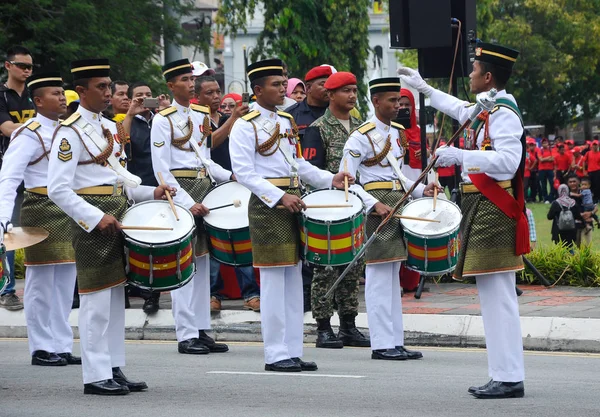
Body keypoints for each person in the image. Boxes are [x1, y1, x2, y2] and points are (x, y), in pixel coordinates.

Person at [400, 41, 528, 399]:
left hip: (493, 209)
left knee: (498, 297)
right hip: (481, 207)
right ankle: (503, 373)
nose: (469, 74)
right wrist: (424, 89)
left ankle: (509, 376)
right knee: (493, 298)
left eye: (474, 70)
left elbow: (507, 162)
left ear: (487, 77)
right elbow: (457, 107)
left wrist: (460, 155)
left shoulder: (503, 112)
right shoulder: (489, 106)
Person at [47, 58, 174, 395]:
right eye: (101, 88)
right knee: (95, 300)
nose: (108, 92)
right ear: (81, 91)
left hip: (119, 215)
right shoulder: (69, 131)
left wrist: (152, 191)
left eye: (109, 86)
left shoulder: (108, 127)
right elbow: (57, 189)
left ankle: (113, 365)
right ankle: (95, 374)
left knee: (116, 298)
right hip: (93, 221)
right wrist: (93, 217)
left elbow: (120, 180)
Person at [229, 58, 353, 372]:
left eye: (283, 82)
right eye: (275, 84)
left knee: (293, 277)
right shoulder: (245, 124)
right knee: (272, 281)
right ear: (257, 90)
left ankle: (292, 349)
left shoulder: (285, 121)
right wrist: (279, 196)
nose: (283, 88)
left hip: (292, 201)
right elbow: (244, 172)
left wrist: (329, 178)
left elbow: (297, 164)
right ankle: (274, 353)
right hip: (268, 206)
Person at [341, 77, 437, 362]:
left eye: (399, 101)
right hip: (378, 209)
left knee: (393, 275)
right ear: (376, 102)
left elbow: (400, 175)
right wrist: (373, 204)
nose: (398, 106)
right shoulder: (361, 136)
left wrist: (422, 188)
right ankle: (381, 343)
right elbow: (346, 180)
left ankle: (395, 340)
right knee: (379, 276)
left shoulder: (397, 133)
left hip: (399, 203)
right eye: (392, 101)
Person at [150, 59, 231, 355]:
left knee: (203, 261)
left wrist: (228, 176)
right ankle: (185, 333)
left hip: (203, 189)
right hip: (180, 193)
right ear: (171, 86)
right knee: (182, 265)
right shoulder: (163, 120)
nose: (190, 84)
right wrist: (186, 202)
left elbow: (205, 160)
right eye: (184, 80)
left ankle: (201, 329)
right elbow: (162, 170)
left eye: (191, 79)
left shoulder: (199, 115)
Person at [0, 71, 79, 366]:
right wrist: (2, 220)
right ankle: (41, 347)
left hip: (68, 208)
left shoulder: (68, 130)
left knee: (65, 283)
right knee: (41, 283)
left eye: (62, 93)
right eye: (55, 94)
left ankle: (61, 343)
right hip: (41, 209)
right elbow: (8, 179)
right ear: (38, 101)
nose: (62, 98)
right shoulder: (29, 133)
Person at [300, 72, 368, 349]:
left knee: (353, 266)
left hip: (356, 203)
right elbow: (311, 172)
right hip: (328, 206)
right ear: (330, 95)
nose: (352, 95)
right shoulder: (319, 128)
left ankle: (349, 325)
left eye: (354, 90)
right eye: (345, 91)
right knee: (326, 268)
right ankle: (324, 327)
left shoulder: (362, 127)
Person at [192, 73, 259, 313]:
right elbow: (211, 145)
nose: (215, 96)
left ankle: (251, 293)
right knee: (211, 242)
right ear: (196, 96)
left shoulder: (225, 118)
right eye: (209, 93)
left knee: (240, 235)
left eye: (217, 91)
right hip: (208, 184)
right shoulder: (197, 122)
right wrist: (232, 119)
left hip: (235, 182)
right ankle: (213, 294)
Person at [121, 81, 171, 314]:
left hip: (162, 186)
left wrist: (166, 110)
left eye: (148, 95)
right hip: (136, 186)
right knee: (132, 241)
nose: (144, 99)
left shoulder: (162, 119)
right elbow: (119, 143)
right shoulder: (127, 121)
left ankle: (152, 295)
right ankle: (127, 289)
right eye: (138, 96)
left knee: (156, 243)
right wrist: (131, 113)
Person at [0, 46, 36, 311]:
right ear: (7, 66)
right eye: (21, 65)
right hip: (7, 171)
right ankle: (8, 290)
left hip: (34, 173)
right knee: (8, 232)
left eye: (30, 67)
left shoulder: (35, 96)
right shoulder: (1, 95)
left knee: (32, 230)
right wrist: (39, 130)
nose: (26, 70)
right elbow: (7, 129)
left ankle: (32, 288)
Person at [286, 65, 333, 140]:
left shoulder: (338, 113)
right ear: (308, 88)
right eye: (323, 84)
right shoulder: (290, 115)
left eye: (330, 84)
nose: (328, 88)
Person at [398, 88, 429, 181]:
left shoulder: (420, 132)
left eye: (407, 104)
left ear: (413, 106)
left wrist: (427, 153)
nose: (403, 108)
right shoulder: (390, 130)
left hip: (417, 178)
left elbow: (429, 157)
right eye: (400, 104)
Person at [537, 138, 555, 203]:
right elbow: (541, 160)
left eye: (546, 143)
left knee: (552, 184)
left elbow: (553, 158)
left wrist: (544, 159)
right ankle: (545, 198)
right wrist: (548, 158)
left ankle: (551, 198)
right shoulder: (540, 151)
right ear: (541, 144)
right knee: (543, 185)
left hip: (550, 169)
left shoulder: (551, 150)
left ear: (548, 143)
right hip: (542, 170)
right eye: (543, 143)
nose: (545, 144)